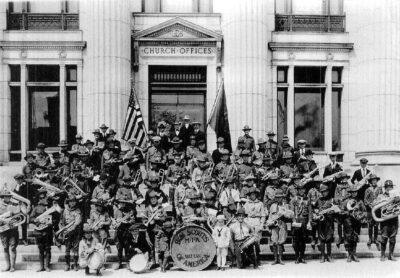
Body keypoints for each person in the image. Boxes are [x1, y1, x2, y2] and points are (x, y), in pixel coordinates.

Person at [0, 189, 26, 272]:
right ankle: (8, 266)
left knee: (13, 248)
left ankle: (12, 266)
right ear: (3, 197)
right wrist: (3, 219)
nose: (7, 197)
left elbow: (20, 214)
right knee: (5, 248)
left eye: (9, 196)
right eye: (6, 196)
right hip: (3, 229)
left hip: (13, 229)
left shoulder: (15, 204)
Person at [266, 188, 293, 265]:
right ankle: (275, 259)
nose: (278, 199)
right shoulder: (272, 206)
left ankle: (280, 259)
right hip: (274, 225)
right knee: (274, 242)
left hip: (282, 224)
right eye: (277, 197)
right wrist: (269, 225)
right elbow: (270, 217)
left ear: (283, 197)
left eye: (280, 197)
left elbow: (290, 216)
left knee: (281, 242)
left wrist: (284, 213)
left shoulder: (286, 205)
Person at [342, 184, 366, 262]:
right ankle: (349, 255)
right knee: (348, 238)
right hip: (348, 222)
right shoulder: (346, 201)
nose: (354, 193)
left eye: (355, 192)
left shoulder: (360, 201)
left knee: (355, 238)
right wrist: (349, 212)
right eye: (352, 192)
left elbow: (364, 211)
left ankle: (354, 254)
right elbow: (341, 211)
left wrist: (360, 216)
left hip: (356, 222)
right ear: (350, 193)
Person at [30, 192, 53, 272]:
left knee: (48, 248)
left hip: (48, 231)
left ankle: (47, 266)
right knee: (40, 249)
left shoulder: (50, 207)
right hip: (39, 231)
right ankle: (41, 266)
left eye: (44, 197)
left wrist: (51, 222)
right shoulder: (36, 208)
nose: (43, 199)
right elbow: (31, 218)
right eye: (41, 198)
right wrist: (36, 220)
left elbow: (56, 217)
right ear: (39, 199)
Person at [376, 180, 399, 261]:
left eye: (390, 187)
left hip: (394, 219)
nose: (389, 189)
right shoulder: (380, 196)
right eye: (387, 187)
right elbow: (375, 206)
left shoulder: (396, 196)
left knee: (393, 239)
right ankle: (382, 255)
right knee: (384, 239)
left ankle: (391, 255)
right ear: (385, 188)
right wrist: (385, 208)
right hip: (384, 220)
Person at [290, 182, 312, 264]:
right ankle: (296, 257)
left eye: (303, 189)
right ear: (297, 190)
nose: (302, 191)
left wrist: (309, 221)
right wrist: (293, 221)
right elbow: (291, 211)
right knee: (296, 240)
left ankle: (302, 257)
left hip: (304, 220)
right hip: (296, 220)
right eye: (300, 189)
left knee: (303, 240)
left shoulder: (307, 199)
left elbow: (310, 212)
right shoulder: (294, 200)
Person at [315, 182, 336, 263]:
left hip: (329, 222)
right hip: (321, 222)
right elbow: (314, 209)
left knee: (329, 239)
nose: (324, 193)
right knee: (322, 239)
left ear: (328, 191)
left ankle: (329, 255)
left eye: (326, 191)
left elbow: (336, 209)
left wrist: (331, 212)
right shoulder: (318, 200)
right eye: (323, 192)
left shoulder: (331, 199)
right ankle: (323, 256)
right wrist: (316, 213)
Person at [61, 196, 83, 271]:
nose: (72, 202)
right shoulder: (65, 210)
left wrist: (73, 227)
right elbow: (62, 221)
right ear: (68, 202)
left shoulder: (78, 210)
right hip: (67, 232)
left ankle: (76, 264)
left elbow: (78, 221)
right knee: (67, 249)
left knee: (76, 248)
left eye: (74, 201)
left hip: (76, 232)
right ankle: (67, 264)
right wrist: (62, 229)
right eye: (71, 201)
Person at [364, 174, 383, 249]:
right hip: (370, 210)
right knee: (370, 225)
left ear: (377, 181)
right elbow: (365, 200)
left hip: (377, 209)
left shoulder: (380, 189)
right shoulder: (368, 189)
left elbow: (382, 198)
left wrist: (378, 204)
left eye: (375, 180)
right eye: (372, 180)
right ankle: (370, 239)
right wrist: (370, 205)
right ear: (371, 181)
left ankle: (375, 239)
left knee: (376, 224)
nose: (374, 181)